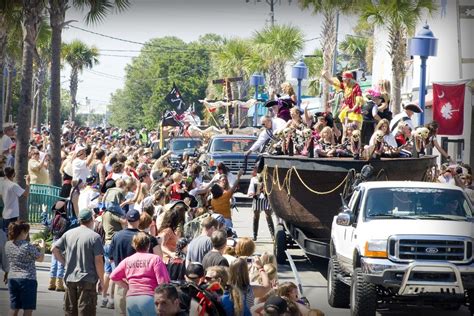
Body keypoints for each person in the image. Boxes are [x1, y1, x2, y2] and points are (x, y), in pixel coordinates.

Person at [52, 209, 105, 316]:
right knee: (86, 312)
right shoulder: (95, 237)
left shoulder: (69, 233)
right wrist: (102, 280)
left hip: (70, 278)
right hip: (87, 280)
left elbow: (54, 249)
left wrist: (65, 263)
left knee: (70, 312)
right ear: (91, 219)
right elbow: (98, 261)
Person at [110, 232, 170, 316]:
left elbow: (113, 276)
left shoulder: (127, 260)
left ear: (134, 245)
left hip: (131, 299)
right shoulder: (155, 259)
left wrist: (127, 286)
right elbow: (163, 283)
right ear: (148, 245)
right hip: (149, 298)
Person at [5, 221, 45, 316]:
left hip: (12, 278)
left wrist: (32, 244)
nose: (27, 234)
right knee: (28, 309)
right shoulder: (27, 246)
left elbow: (20, 248)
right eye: (27, 232)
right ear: (22, 232)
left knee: (14, 307)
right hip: (28, 279)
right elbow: (40, 258)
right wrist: (42, 248)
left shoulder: (8, 244)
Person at [0, 167, 30, 232]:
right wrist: (27, 182)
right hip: (12, 214)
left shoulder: (2, 183)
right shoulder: (13, 185)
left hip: (4, 213)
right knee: (11, 233)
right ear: (13, 174)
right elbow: (26, 194)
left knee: (5, 233)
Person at [248, 170, 275, 241]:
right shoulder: (254, 179)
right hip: (257, 198)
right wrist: (252, 193)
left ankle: (273, 235)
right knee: (256, 215)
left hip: (266, 198)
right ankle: (255, 235)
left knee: (268, 215)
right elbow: (251, 190)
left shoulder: (267, 178)